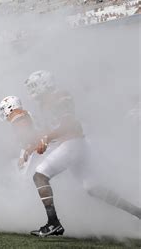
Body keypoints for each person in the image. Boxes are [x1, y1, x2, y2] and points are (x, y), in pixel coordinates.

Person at [21, 70, 141, 237]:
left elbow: (70, 123)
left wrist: (47, 138)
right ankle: (138, 213)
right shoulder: (45, 104)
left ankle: (53, 223)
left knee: (40, 176)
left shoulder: (59, 96)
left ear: (45, 84)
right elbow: (53, 128)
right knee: (93, 187)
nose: (32, 91)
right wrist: (35, 145)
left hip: (73, 144)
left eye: (34, 86)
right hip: (74, 145)